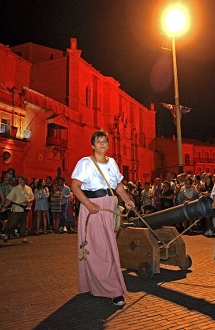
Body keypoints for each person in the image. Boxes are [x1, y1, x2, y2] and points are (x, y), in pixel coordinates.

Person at [70, 130, 135, 307]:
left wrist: (128, 200)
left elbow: (118, 185)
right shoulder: (85, 163)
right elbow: (75, 186)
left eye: (105, 141)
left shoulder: (112, 162)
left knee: (109, 247)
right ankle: (112, 289)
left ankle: (97, 284)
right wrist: (88, 205)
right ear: (92, 145)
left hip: (110, 207)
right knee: (100, 249)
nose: (102, 144)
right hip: (94, 209)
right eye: (98, 141)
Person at [0, 176, 34, 244]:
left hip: (25, 208)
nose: (20, 182)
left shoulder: (28, 188)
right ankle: (6, 236)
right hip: (17, 208)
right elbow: (9, 198)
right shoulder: (15, 189)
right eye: (19, 181)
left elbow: (32, 197)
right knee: (12, 223)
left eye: (21, 180)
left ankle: (24, 238)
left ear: (25, 181)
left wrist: (29, 200)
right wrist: (4, 206)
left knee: (24, 224)